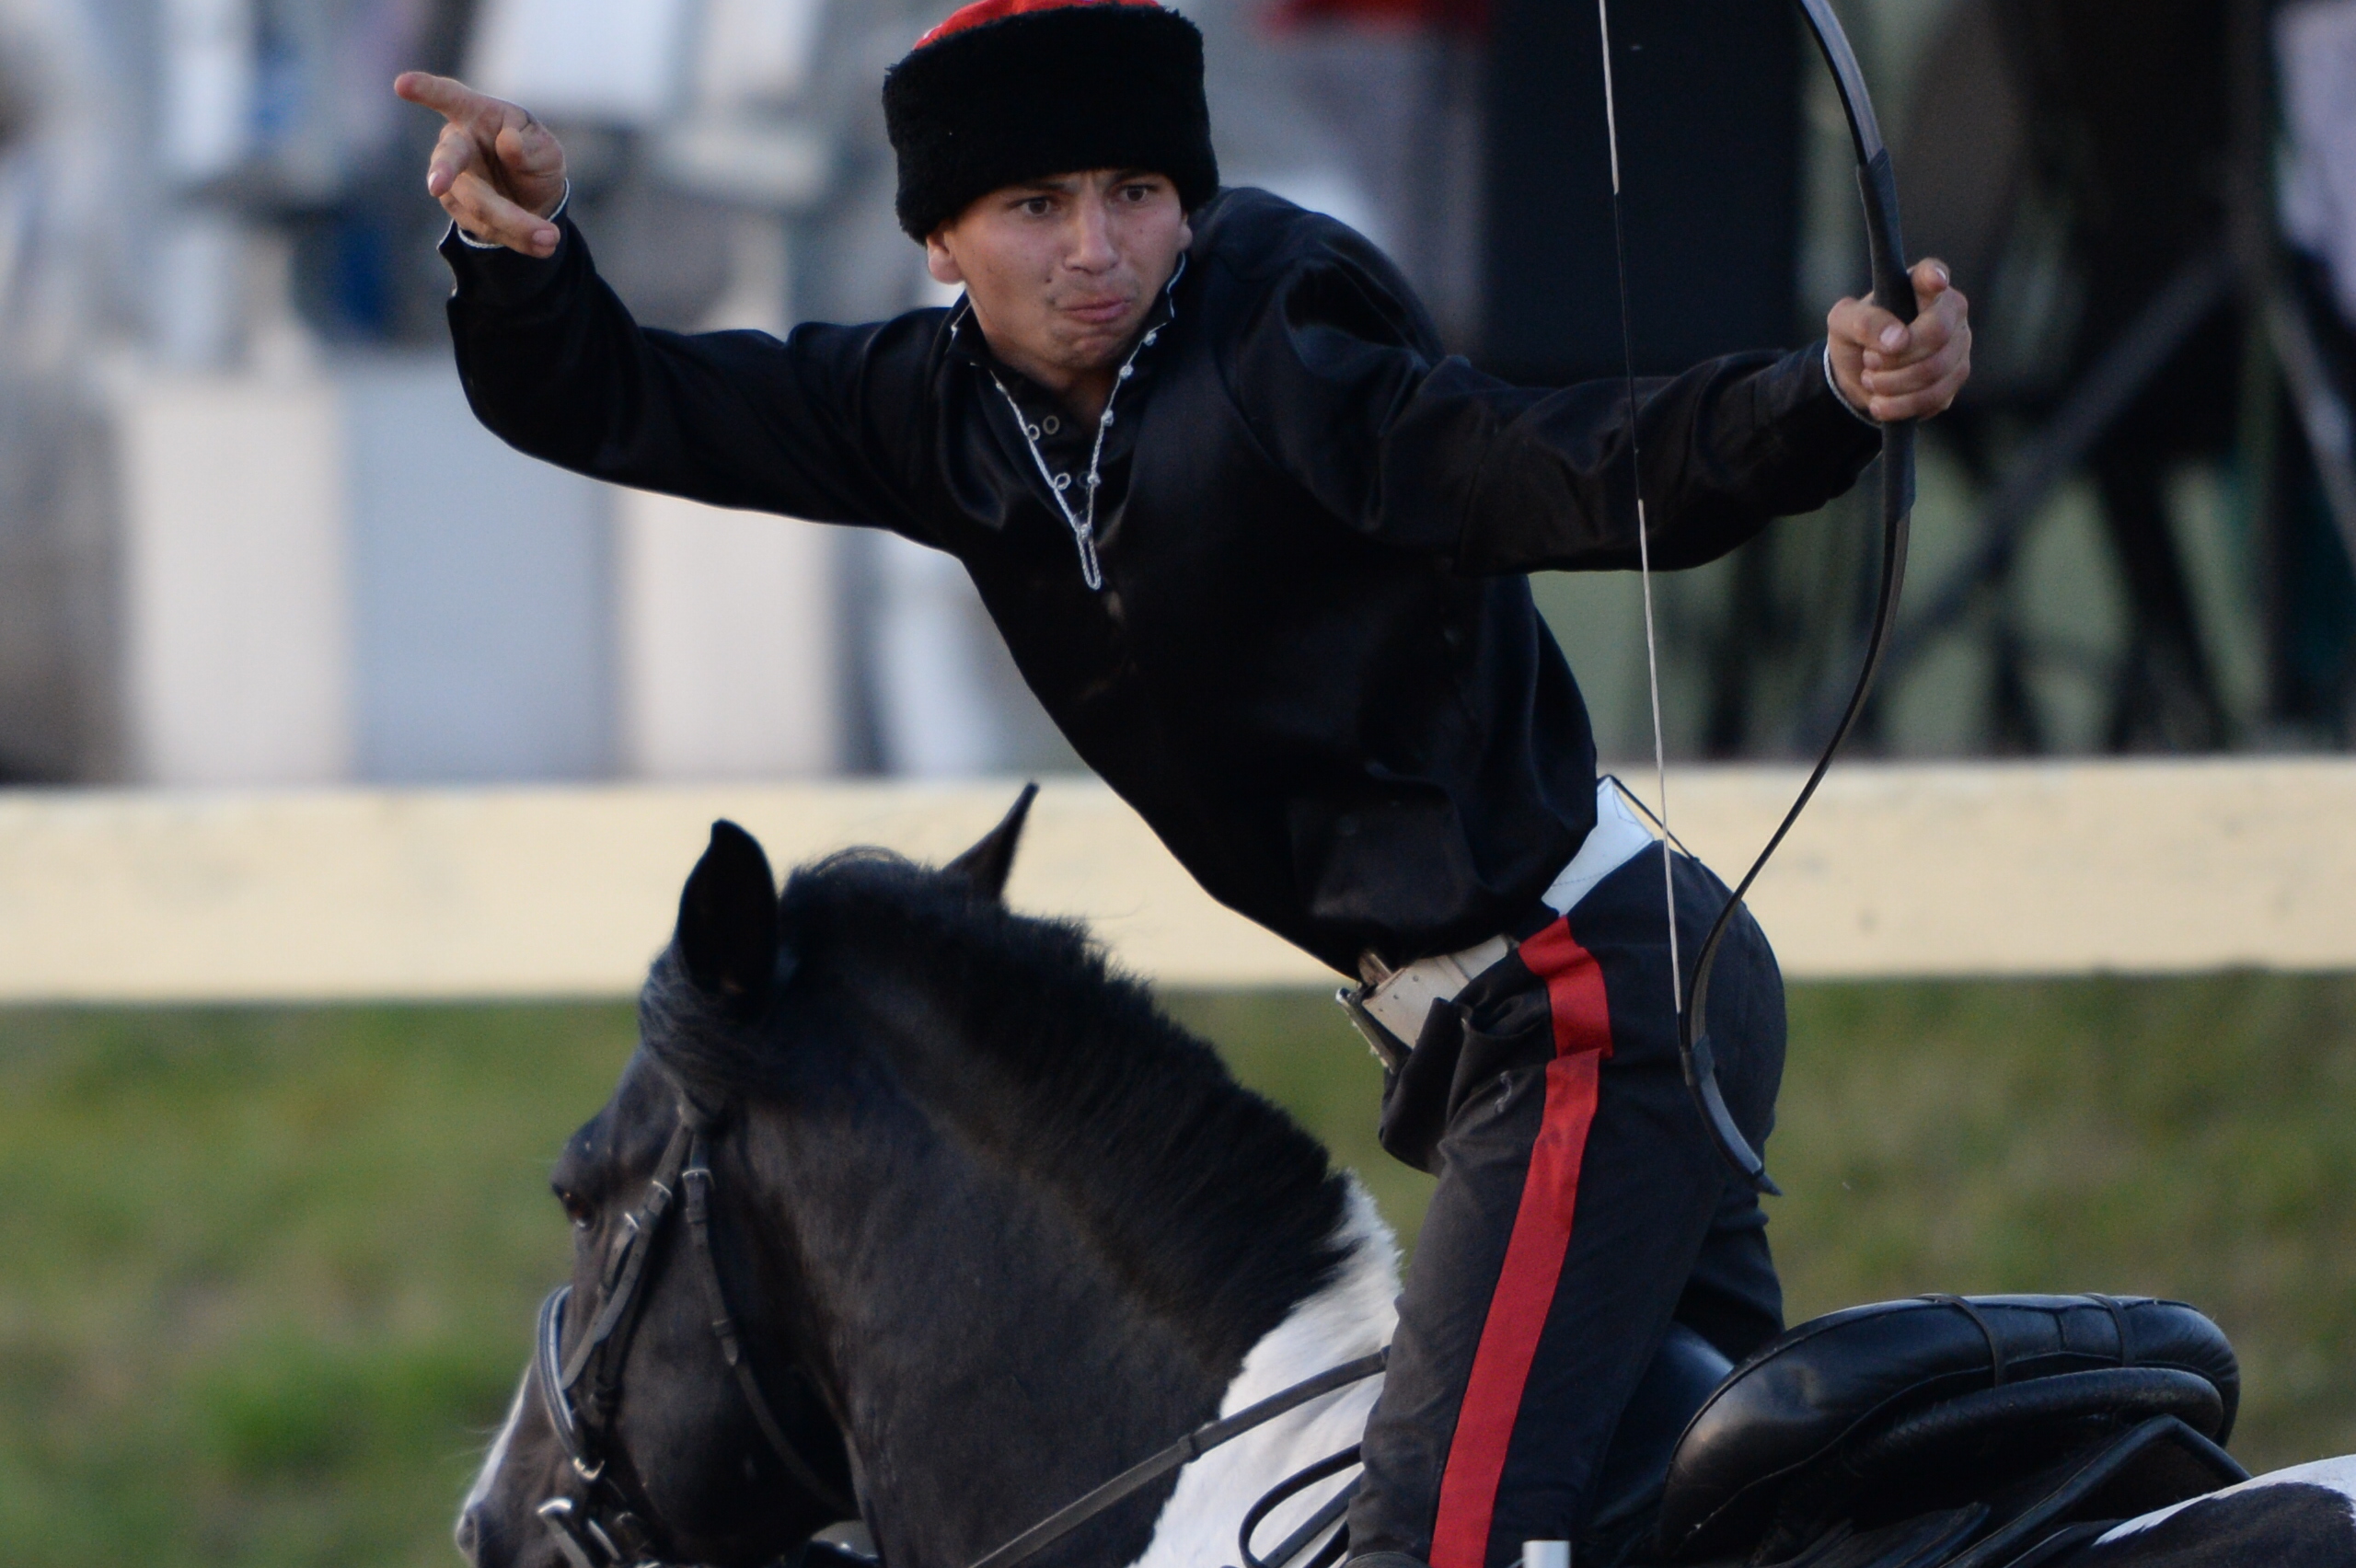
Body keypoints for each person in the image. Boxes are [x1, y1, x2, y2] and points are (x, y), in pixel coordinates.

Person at [396, 3, 1970, 1563]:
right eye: (1036, 205)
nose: (1098, 247)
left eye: (1136, 193)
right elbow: (618, 397)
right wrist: (518, 249)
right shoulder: (927, 412)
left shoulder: (1283, 342)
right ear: (940, 241)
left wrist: (1821, 403)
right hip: (1526, 1027)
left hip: (1585, 1005)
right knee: (1705, 1529)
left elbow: (1551, 460)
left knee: (1443, 1545)